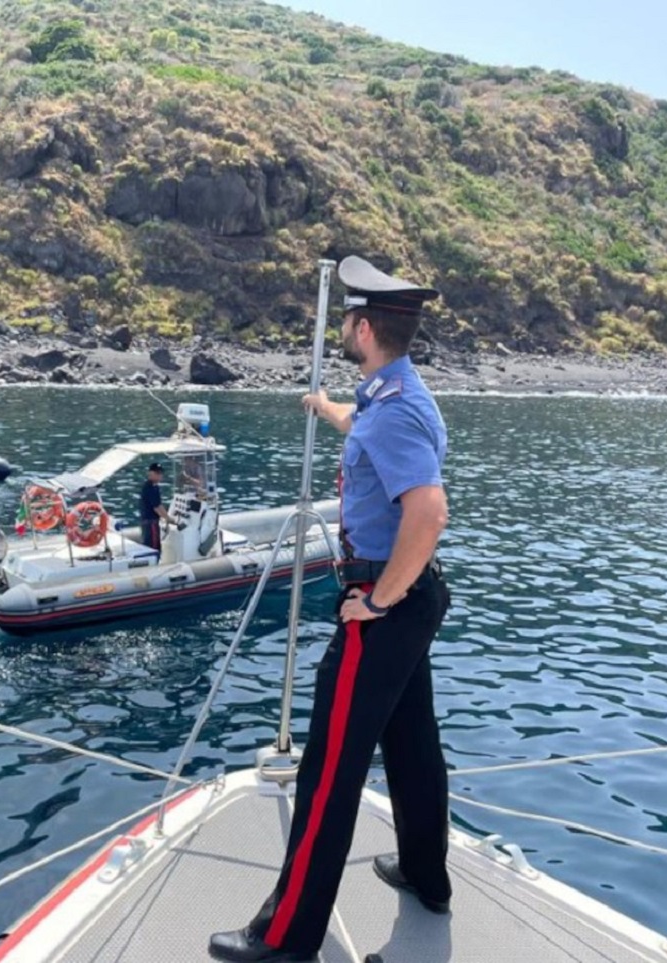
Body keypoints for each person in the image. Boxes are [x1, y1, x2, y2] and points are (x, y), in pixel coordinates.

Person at [209, 255, 451, 962]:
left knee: (329, 767)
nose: (341, 326)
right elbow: (366, 429)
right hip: (412, 598)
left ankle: (286, 935)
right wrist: (325, 408)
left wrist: (378, 598)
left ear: (364, 325)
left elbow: (427, 511)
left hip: (385, 601)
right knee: (412, 744)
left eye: (347, 318)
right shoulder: (393, 393)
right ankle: (426, 873)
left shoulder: (394, 410)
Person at [139, 462, 172, 549]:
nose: (160, 475)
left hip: (148, 521)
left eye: (160, 473)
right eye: (157, 473)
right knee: (153, 547)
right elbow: (157, 507)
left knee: (151, 544)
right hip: (151, 522)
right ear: (150, 473)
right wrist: (168, 518)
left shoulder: (153, 486)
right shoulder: (150, 488)